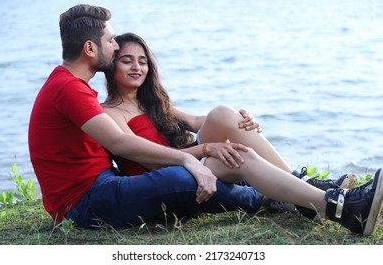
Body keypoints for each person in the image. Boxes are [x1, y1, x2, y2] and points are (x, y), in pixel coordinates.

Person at [101, 32, 383, 236]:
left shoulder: (151, 103)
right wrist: (208, 149)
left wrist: (241, 121)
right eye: (127, 61)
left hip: (192, 164)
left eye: (142, 61)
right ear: (112, 65)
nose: (137, 67)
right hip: (166, 178)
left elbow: (201, 121)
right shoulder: (110, 113)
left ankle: (303, 188)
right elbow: (153, 162)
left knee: (222, 113)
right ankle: (337, 207)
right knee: (239, 155)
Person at [28, 4, 266, 230]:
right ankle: (261, 197)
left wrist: (235, 120)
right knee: (180, 178)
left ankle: (269, 183)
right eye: (110, 40)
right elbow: (119, 142)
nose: (115, 46)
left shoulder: (69, 85)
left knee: (180, 176)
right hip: (83, 203)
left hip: (101, 185)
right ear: (90, 48)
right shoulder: (69, 88)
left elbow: (192, 122)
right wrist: (189, 158)